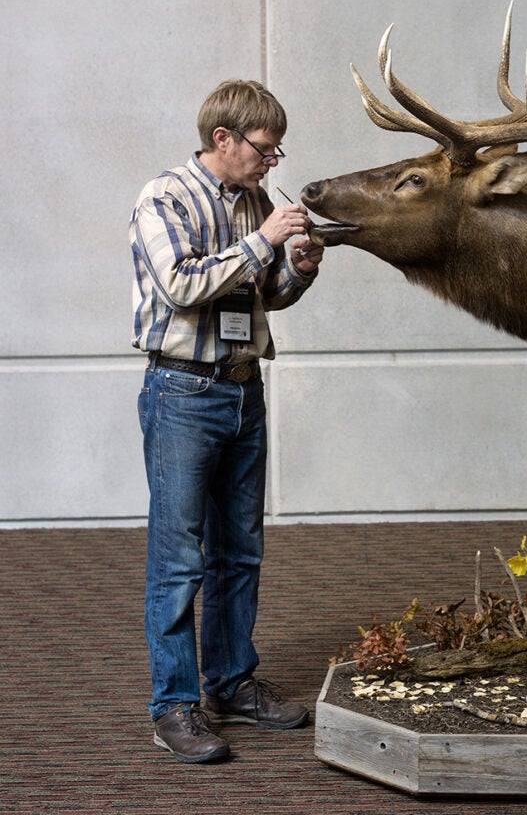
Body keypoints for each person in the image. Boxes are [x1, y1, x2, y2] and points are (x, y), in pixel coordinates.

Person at [129, 79, 323, 763]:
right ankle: (173, 708)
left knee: (239, 552)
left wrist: (298, 267)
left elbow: (264, 293)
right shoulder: (163, 198)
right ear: (223, 139)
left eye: (275, 152)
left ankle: (232, 684)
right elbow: (181, 286)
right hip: (182, 393)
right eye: (265, 150)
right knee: (179, 561)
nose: (273, 163)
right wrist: (263, 241)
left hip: (244, 391)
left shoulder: (255, 202)